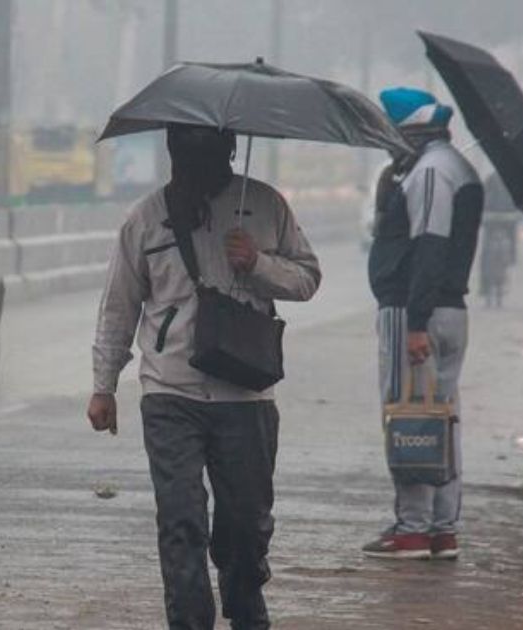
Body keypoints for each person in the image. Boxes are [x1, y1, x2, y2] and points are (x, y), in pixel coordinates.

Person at [87, 123, 321, 629]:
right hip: (171, 393)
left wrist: (258, 263)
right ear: (171, 151)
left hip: (248, 395)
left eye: (207, 150)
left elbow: (307, 278)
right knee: (181, 520)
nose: (195, 161)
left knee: (244, 527)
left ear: (230, 150)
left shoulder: (265, 206)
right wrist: (103, 385)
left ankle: (246, 611)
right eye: (185, 150)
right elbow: (118, 307)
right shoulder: (146, 220)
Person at [363, 88, 483, 560]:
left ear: (408, 129)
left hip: (417, 313)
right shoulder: (449, 166)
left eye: (389, 132)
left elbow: (430, 247)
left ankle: (412, 528)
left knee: (410, 414)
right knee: (442, 417)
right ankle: (441, 527)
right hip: (446, 311)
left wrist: (414, 322)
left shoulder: (432, 171)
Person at [479, 172, 519, 308]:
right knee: (510, 246)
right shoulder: (514, 180)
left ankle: (484, 285)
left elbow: (481, 199)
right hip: (508, 220)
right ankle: (511, 260)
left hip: (490, 220)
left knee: (485, 253)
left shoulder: (489, 179)